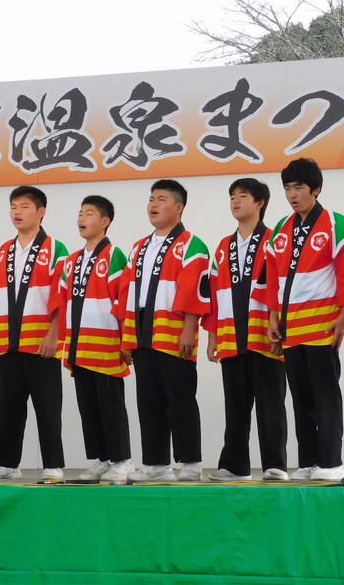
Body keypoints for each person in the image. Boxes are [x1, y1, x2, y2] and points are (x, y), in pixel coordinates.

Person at [261, 158, 344, 482]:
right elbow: (274, 278)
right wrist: (273, 318)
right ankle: (307, 462)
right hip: (291, 328)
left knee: (326, 397)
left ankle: (331, 462)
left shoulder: (335, 222)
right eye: (287, 188)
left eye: (299, 188)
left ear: (316, 189)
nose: (292, 195)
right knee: (301, 399)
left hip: (322, 325)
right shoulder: (280, 228)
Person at [0, 186, 68, 482]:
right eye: (13, 206)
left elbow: (62, 296)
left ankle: (53, 465)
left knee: (48, 406)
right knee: (10, 406)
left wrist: (53, 336)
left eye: (24, 206)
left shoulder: (56, 249)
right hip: (6, 341)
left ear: (41, 212)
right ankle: (5, 464)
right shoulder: (3, 251)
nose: (17, 212)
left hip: (41, 343)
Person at [117, 179, 210, 482]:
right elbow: (128, 293)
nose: (153, 204)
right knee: (149, 402)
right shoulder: (138, 247)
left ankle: (191, 463)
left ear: (179, 207)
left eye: (161, 199)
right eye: (151, 199)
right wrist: (127, 338)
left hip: (174, 335)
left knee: (180, 400)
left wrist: (189, 329)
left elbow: (194, 291)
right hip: (142, 335)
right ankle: (156, 465)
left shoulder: (192, 245)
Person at [203, 178, 288, 482]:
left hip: (265, 335)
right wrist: (212, 335)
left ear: (260, 203)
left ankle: (275, 465)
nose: (235, 201)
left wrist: (281, 329)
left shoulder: (275, 240)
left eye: (242, 196)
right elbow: (214, 293)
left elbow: (282, 287)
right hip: (230, 337)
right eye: (232, 197)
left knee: (271, 405)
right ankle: (234, 466)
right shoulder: (223, 247)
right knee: (235, 406)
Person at [51, 195, 133, 482]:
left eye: (89, 213)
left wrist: (126, 341)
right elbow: (63, 303)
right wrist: (64, 343)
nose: (81, 218)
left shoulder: (114, 255)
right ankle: (100, 459)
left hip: (107, 345)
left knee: (111, 406)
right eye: (80, 213)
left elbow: (123, 300)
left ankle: (122, 460)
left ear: (105, 221)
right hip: (79, 345)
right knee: (88, 407)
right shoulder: (71, 261)